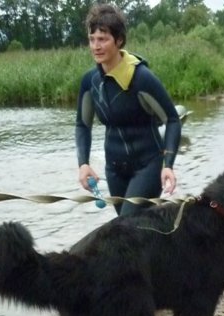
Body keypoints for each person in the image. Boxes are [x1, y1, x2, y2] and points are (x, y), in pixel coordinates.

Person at [76, 3, 182, 216]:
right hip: (114, 170)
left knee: (127, 228)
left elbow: (172, 119)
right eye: (92, 39)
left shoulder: (142, 78)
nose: (96, 46)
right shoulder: (90, 81)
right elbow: (82, 125)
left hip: (148, 166)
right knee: (134, 234)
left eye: (103, 39)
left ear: (119, 40)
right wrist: (83, 164)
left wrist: (168, 164)